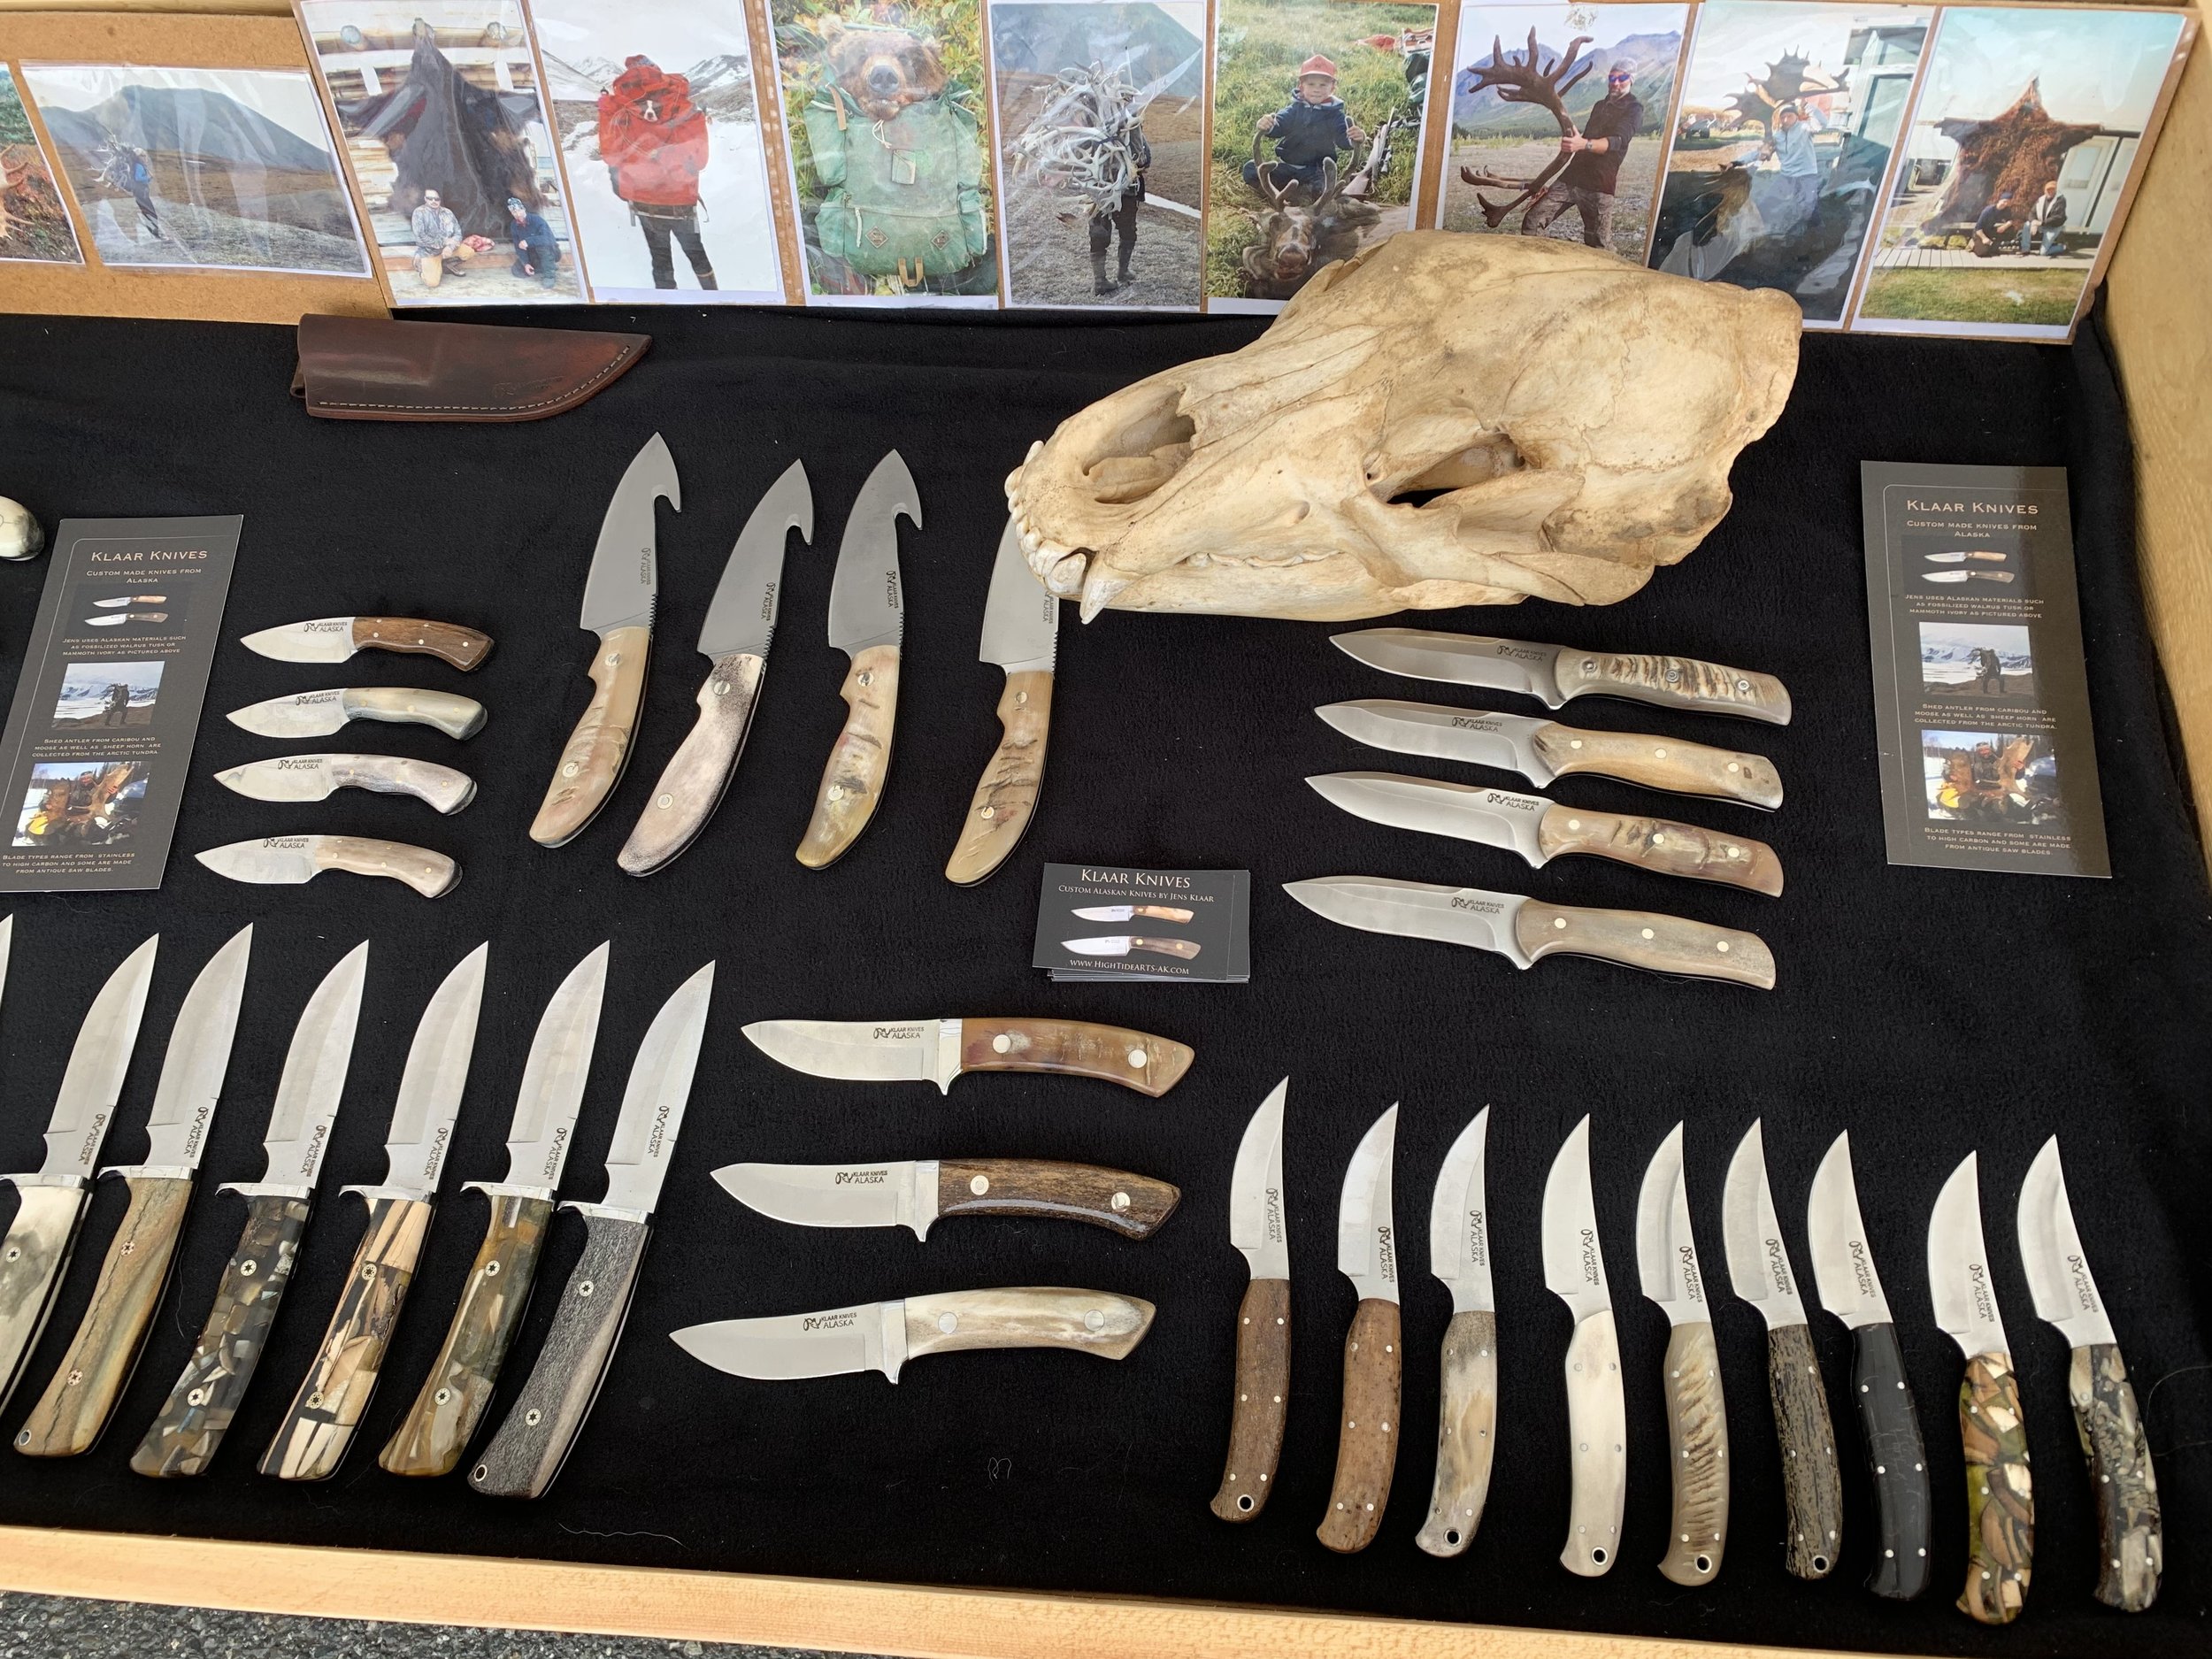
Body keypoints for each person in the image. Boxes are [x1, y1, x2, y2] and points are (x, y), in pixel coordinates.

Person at [597, 55, 717, 292]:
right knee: (697, 254)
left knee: (660, 261)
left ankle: (670, 313)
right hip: (681, 201)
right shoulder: (688, 109)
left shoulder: (619, 113)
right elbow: (700, 161)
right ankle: (718, 303)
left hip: (643, 203)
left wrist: (605, 110)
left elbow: (611, 156)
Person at [1522, 61, 1643, 250]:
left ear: (1631, 80)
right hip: (1571, 178)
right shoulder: (1599, 106)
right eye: (1612, 78)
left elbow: (1617, 142)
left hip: (1600, 185)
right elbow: (1584, 139)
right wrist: (1577, 140)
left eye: (1622, 78)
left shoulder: (1634, 109)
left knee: (1598, 244)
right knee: (1533, 220)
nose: (1616, 83)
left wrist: (1583, 144)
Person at [1243, 55, 1366, 199]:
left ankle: (1295, 194)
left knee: (1323, 189)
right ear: (1301, 86)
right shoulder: (1294, 109)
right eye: (1311, 84)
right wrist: (1268, 125)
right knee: (1251, 169)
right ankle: (1281, 194)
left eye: (1323, 85)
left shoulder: (1335, 115)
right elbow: (1279, 124)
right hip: (1288, 167)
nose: (1317, 89)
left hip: (1314, 172)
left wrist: (1355, 137)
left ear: (1332, 88)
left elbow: (1343, 138)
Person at [1091, 119, 1150, 295]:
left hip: (1097, 189)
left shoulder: (1092, 125)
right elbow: (1143, 158)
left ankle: (1100, 280)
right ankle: (1122, 272)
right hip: (1126, 190)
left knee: (1098, 232)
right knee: (1128, 230)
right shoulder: (1132, 123)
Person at [1762, 102, 1826, 238]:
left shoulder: (1805, 128)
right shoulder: (1777, 136)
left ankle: (1817, 237)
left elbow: (1822, 124)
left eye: (1789, 116)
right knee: (1767, 203)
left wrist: (1807, 105)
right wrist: (1736, 162)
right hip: (1787, 177)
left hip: (1806, 176)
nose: (1786, 120)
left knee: (1808, 209)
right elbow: (1759, 153)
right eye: (1783, 117)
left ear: (1796, 116)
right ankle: (1767, 233)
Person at [411, 188, 466, 289]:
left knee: (468, 252)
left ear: (440, 200)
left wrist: (450, 247)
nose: (433, 201)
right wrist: (444, 242)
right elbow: (421, 237)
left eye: (437, 199)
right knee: (432, 283)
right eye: (430, 198)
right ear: (425, 199)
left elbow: (458, 233)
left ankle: (446, 265)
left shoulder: (448, 212)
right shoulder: (419, 213)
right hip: (429, 252)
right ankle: (422, 266)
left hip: (447, 250)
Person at [505, 196, 561, 288]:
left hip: (550, 251)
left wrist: (528, 241)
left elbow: (548, 239)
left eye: (519, 210)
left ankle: (549, 276)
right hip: (533, 253)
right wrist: (526, 263)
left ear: (524, 209)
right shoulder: (514, 225)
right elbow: (518, 246)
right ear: (511, 213)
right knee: (516, 270)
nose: (518, 214)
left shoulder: (537, 220)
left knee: (541, 247)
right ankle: (546, 267)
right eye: (514, 212)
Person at [2021, 179, 2068, 256]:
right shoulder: (2041, 200)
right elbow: (2031, 213)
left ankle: (2063, 247)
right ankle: (2025, 249)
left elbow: (2057, 217)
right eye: (2048, 190)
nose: (2050, 192)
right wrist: (2033, 223)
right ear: (2045, 191)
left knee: (2043, 253)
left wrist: (2040, 223)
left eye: (2052, 190)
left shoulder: (2061, 200)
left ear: (2056, 191)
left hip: (2053, 227)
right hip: (2042, 225)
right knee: (2027, 224)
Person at [1970, 190, 2017, 257]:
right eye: (2004, 201)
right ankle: (1972, 243)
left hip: (1990, 230)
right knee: (1982, 253)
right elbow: (1978, 229)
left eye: (2008, 202)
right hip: (1980, 233)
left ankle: (1994, 245)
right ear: (2000, 200)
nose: (2005, 204)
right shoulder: (1988, 210)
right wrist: (1984, 238)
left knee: (2010, 229)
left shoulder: (2007, 210)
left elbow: (2010, 221)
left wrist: (2005, 226)